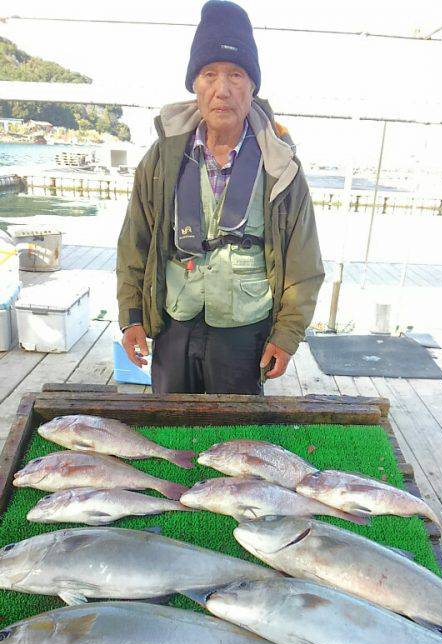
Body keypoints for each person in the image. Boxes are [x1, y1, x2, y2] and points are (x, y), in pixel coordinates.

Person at [117, 0, 324, 394]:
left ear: (253, 87)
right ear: (195, 85)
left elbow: (304, 262)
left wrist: (287, 335)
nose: (222, 89)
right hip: (174, 323)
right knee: (169, 423)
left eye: (236, 74)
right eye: (209, 74)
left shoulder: (282, 167)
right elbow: (133, 243)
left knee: (235, 428)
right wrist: (131, 316)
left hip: (245, 333)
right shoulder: (160, 159)